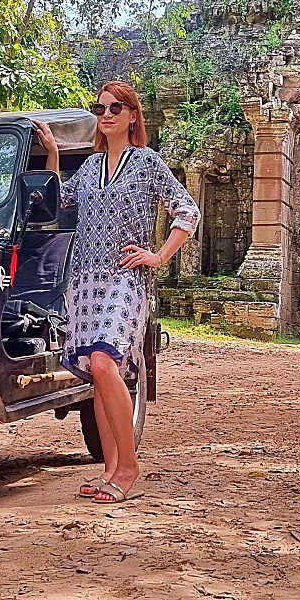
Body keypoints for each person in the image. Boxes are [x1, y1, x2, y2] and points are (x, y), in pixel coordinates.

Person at [32, 81, 200, 504]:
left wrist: (158, 256)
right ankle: (109, 469)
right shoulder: (90, 167)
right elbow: (58, 201)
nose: (105, 115)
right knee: (97, 373)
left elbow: (187, 210)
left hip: (125, 278)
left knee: (105, 362)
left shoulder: (146, 162)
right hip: (84, 281)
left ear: (132, 116)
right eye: (100, 108)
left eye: (114, 108)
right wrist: (53, 156)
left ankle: (128, 465)